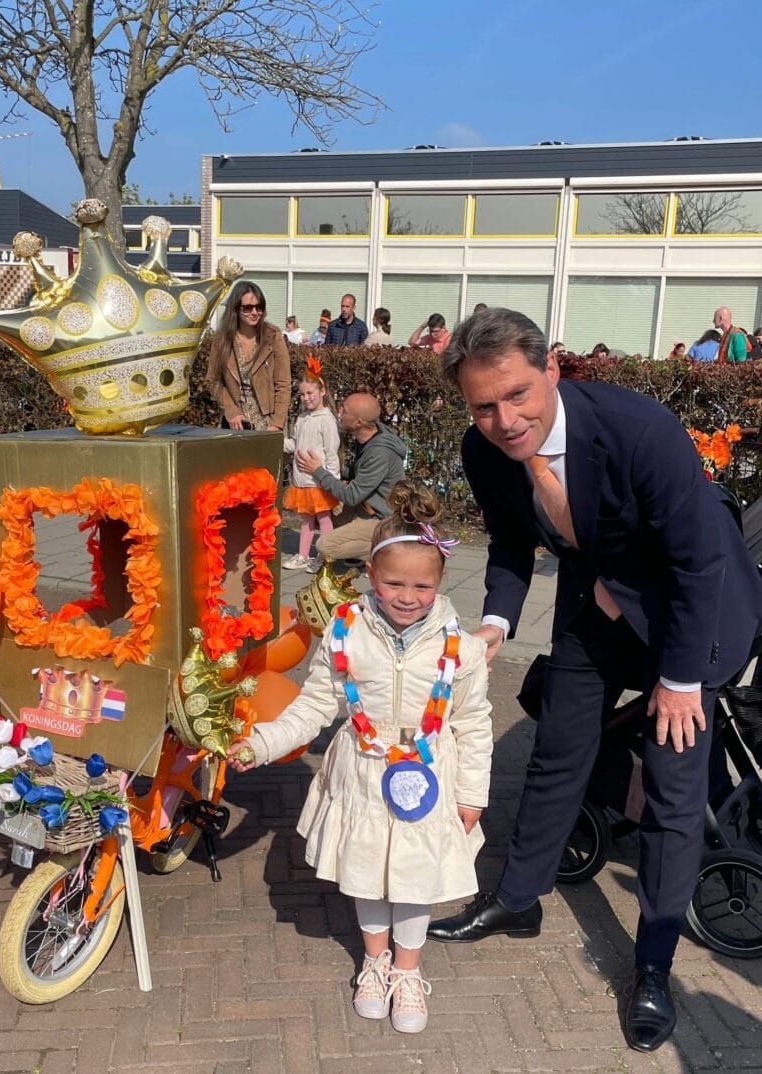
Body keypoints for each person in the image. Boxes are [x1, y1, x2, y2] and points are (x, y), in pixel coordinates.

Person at [426, 307, 762, 1054]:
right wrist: (497, 622)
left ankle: (653, 964)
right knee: (558, 749)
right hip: (600, 602)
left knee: (673, 790)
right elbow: (511, 543)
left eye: (517, 395)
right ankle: (519, 899)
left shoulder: (638, 430)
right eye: (483, 407)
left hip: (689, 616)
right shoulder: (484, 449)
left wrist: (679, 679)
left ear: (551, 369)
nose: (505, 421)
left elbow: (699, 562)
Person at [227, 480, 493, 1034]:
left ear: (440, 581)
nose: (407, 596)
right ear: (371, 574)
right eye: (394, 582)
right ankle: (375, 962)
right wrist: (262, 743)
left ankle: (408, 971)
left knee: (416, 877)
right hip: (363, 773)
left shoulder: (461, 649)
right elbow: (314, 705)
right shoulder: (344, 632)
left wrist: (472, 793)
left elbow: (472, 723)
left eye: (422, 585)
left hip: (429, 774)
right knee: (368, 873)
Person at [296, 393, 406, 564]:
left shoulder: (380, 452)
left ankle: (386, 548)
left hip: (383, 518)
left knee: (325, 546)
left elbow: (351, 496)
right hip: (365, 509)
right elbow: (356, 472)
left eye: (344, 410)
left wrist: (318, 471)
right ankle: (364, 544)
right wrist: (330, 467)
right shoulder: (368, 439)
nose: (339, 412)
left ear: (358, 422)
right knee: (321, 517)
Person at [281, 357, 340, 573]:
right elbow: (295, 444)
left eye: (310, 393)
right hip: (302, 481)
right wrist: (278, 441)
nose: (306, 398)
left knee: (324, 519)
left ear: (322, 391)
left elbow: (331, 452)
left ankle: (325, 556)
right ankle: (303, 556)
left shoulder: (326, 420)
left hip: (319, 481)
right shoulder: (302, 418)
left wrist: (332, 480)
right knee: (306, 520)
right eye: (302, 394)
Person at [207, 281, 291, 432]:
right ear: (236, 308)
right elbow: (213, 380)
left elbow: (283, 384)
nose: (254, 312)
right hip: (236, 424)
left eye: (259, 307)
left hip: (268, 422)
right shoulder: (222, 339)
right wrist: (231, 410)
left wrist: (277, 424)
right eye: (247, 307)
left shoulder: (273, 336)